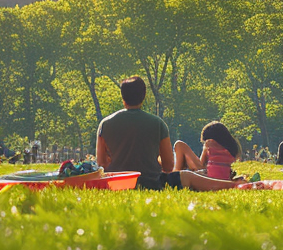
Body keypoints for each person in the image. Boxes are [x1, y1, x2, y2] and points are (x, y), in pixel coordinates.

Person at [96, 76, 245, 191]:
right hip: (152, 183)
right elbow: (168, 166)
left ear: (122, 97)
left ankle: (234, 184)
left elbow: (101, 164)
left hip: (117, 183)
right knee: (186, 176)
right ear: (144, 96)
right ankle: (234, 185)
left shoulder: (105, 124)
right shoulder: (158, 123)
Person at [174, 121, 241, 179]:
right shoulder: (232, 147)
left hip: (208, 177)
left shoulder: (210, 144)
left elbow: (201, 164)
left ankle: (174, 174)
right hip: (223, 177)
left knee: (179, 145)